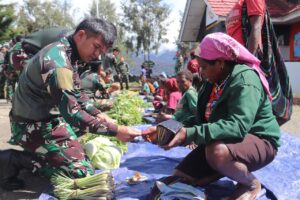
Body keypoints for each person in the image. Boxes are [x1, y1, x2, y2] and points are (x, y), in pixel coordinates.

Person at [143, 33, 280, 199]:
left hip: (259, 141)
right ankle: (223, 169)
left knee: (216, 152)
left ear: (221, 63)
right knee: (179, 176)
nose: (200, 72)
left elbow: (238, 126)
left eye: (204, 67)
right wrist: (167, 128)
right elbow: (200, 118)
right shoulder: (211, 82)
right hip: (228, 140)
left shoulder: (245, 80)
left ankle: (250, 183)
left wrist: (188, 134)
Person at [9, 18, 141, 179]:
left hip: (49, 119)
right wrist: (116, 131)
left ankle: (47, 151)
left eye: (101, 52)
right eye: (96, 47)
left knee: (84, 151)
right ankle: (16, 159)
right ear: (80, 35)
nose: (97, 55)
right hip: (31, 125)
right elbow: (73, 113)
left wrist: (98, 114)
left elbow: (78, 93)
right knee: (79, 172)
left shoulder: (70, 54)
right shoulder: (58, 61)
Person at [226, 0, 293, 125]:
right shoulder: (236, 5)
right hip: (233, 61)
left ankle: (260, 134)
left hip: (245, 60)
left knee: (250, 100)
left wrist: (248, 62)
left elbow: (256, 27)